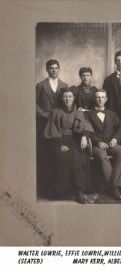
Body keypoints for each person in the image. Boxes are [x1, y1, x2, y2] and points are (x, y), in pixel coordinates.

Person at [42, 88, 95, 203]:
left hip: (75, 140)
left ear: (73, 98)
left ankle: (79, 190)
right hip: (58, 141)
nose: (67, 99)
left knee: (78, 157)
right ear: (61, 98)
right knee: (64, 156)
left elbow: (86, 126)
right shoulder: (56, 112)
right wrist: (60, 144)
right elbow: (51, 131)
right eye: (65, 96)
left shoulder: (78, 113)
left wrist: (84, 136)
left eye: (70, 96)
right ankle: (63, 191)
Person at [85, 90, 121, 201]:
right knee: (102, 155)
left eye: (102, 97)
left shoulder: (111, 114)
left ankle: (118, 185)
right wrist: (98, 142)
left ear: (106, 99)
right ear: (95, 99)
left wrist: (115, 138)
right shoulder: (88, 114)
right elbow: (87, 131)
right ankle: (114, 188)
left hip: (111, 143)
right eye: (98, 97)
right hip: (96, 145)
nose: (100, 100)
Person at [36, 59, 68, 194]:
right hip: (44, 125)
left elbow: (68, 103)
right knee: (46, 154)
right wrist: (43, 114)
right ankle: (45, 188)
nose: (54, 70)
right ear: (47, 70)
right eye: (51, 68)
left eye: (56, 68)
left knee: (59, 154)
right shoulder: (41, 85)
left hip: (60, 125)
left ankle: (59, 188)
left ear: (59, 69)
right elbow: (32, 103)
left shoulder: (64, 84)